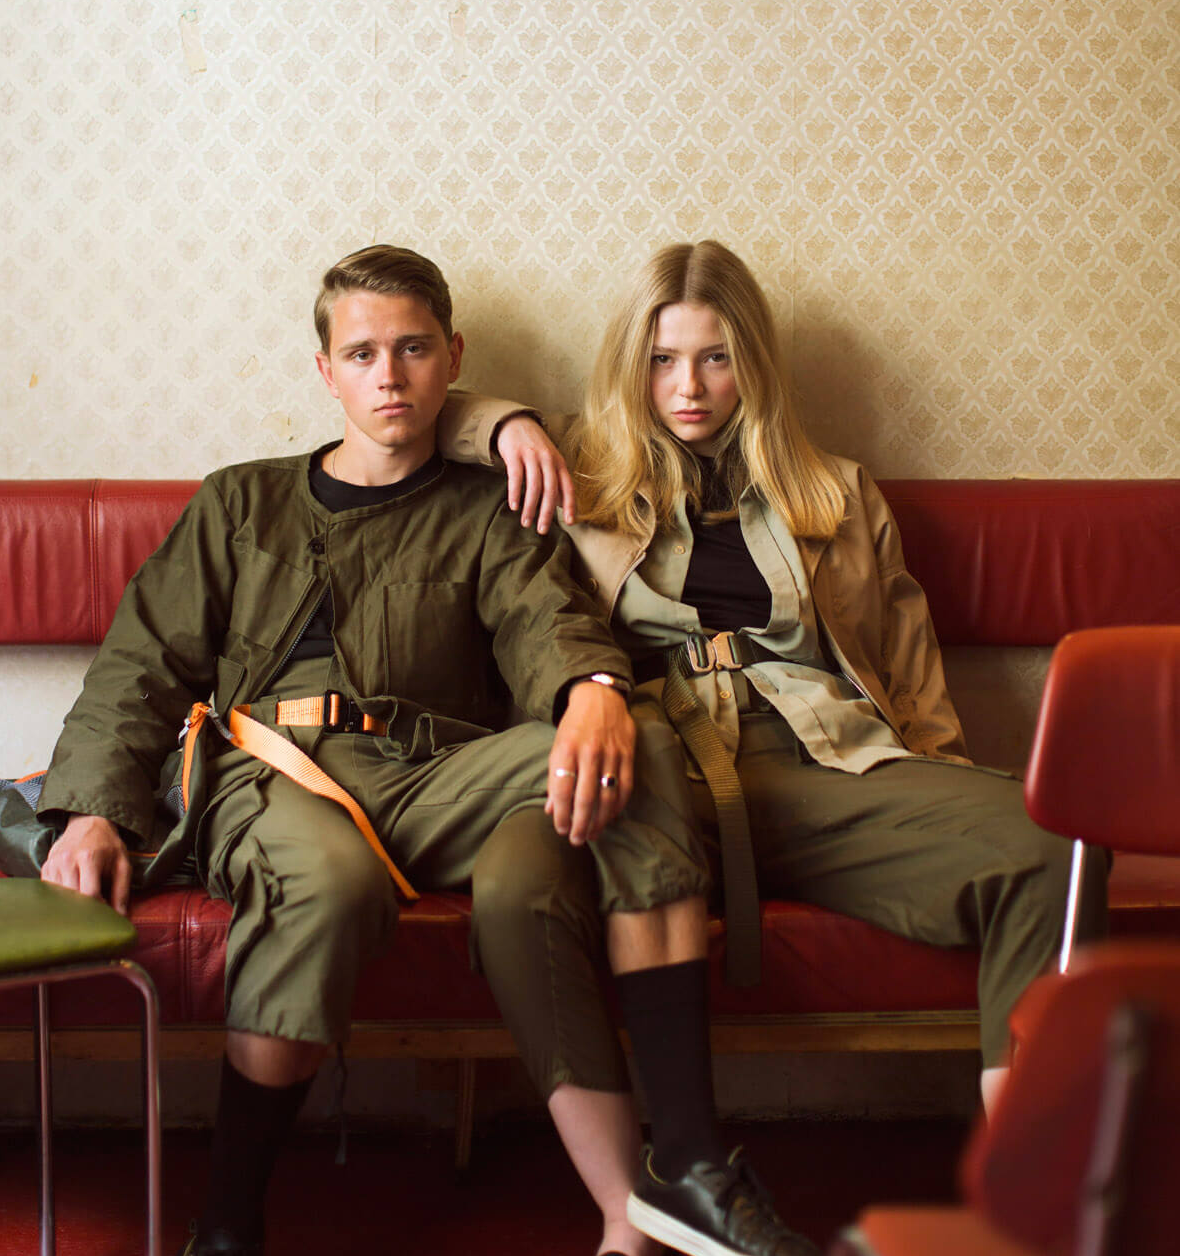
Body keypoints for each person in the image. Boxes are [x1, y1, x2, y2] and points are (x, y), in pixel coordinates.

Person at [36, 244, 824, 1256]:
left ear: (452, 358)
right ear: (325, 370)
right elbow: (138, 669)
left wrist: (596, 691)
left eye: (412, 347)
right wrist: (90, 812)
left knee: (635, 734)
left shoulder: (488, 507)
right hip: (278, 769)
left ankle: (691, 1161)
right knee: (329, 880)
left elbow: (547, 625)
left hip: (440, 773)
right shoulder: (241, 501)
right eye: (362, 352)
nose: (389, 374)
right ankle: (221, 1237)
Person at [446, 237, 1108, 1152]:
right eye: (662, 360)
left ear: (750, 364)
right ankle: (642, 1201)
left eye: (715, 358)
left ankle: (1034, 1180)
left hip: (819, 766)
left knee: (1058, 852)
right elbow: (415, 410)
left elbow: (906, 668)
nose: (688, 386)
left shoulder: (835, 493)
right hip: (652, 781)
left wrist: (932, 804)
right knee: (517, 885)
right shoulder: (575, 473)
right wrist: (508, 427)